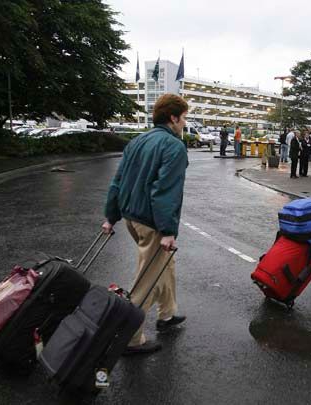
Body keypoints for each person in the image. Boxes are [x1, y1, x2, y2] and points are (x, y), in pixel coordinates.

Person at [102, 94, 189, 355]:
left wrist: (111, 216)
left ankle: (168, 313)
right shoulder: (173, 146)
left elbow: (118, 181)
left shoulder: (138, 141)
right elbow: (165, 192)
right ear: (173, 118)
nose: (185, 123)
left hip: (132, 217)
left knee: (166, 264)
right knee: (146, 280)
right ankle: (130, 338)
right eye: (184, 118)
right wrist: (168, 231)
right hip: (152, 223)